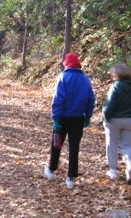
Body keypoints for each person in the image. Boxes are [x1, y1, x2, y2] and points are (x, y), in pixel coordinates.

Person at [44, 53, 95, 189]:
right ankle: (70, 178)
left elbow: (58, 99)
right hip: (78, 119)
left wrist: (55, 117)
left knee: (56, 144)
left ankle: (51, 169)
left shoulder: (63, 77)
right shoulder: (85, 79)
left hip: (62, 119)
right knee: (74, 147)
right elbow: (91, 99)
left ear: (66, 64)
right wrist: (88, 116)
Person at [102, 63, 131, 185]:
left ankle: (113, 171)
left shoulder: (115, 87)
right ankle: (129, 165)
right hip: (130, 119)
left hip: (114, 119)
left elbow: (109, 104)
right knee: (127, 145)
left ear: (117, 75)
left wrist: (106, 117)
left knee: (112, 144)